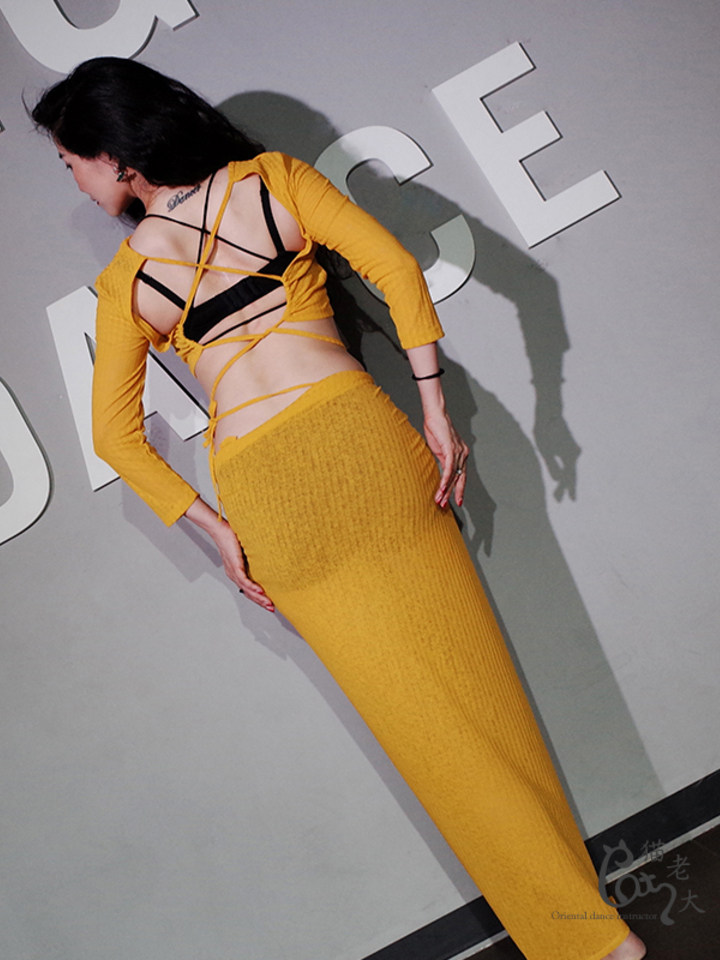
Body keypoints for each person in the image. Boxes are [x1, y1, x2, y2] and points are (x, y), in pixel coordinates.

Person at [32, 58, 645, 960]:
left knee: (425, 737)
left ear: (116, 156)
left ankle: (583, 941)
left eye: (71, 162)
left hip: (267, 494)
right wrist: (435, 409)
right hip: (364, 445)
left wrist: (216, 530)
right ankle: (592, 934)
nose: (76, 182)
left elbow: (118, 440)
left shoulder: (126, 282)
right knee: (484, 697)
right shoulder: (272, 181)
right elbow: (395, 266)